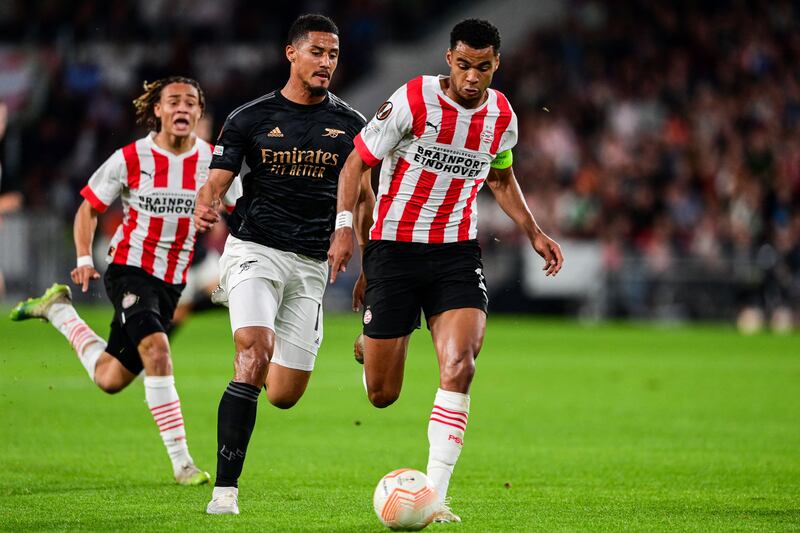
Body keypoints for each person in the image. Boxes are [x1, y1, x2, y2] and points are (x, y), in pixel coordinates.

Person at [328, 19, 565, 523]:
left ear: (496, 63)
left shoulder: (502, 116)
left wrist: (534, 231)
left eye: (483, 67)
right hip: (393, 249)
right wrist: (346, 227)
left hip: (456, 253)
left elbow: (500, 178)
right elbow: (356, 162)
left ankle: (435, 495)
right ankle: (377, 338)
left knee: (460, 366)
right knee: (381, 394)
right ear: (448, 58)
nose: (472, 77)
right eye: (463, 65)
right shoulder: (413, 100)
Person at [9, 77, 237, 486]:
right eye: (173, 102)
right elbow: (88, 208)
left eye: (191, 102)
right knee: (157, 348)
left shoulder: (213, 164)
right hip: (128, 268)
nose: (182, 108)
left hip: (171, 283)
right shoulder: (132, 157)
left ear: (200, 114)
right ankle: (183, 463)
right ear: (158, 111)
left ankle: (59, 311)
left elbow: (243, 210)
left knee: (110, 378)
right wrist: (82, 257)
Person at [194, 14, 373, 515]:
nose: (326, 62)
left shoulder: (353, 125)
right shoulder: (249, 116)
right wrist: (208, 200)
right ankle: (224, 493)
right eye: (317, 51)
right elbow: (218, 178)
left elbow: (364, 202)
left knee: (283, 394)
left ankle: (259, 362)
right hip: (255, 249)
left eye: (333, 54)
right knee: (253, 353)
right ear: (291, 53)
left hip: (312, 264)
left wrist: (370, 269)